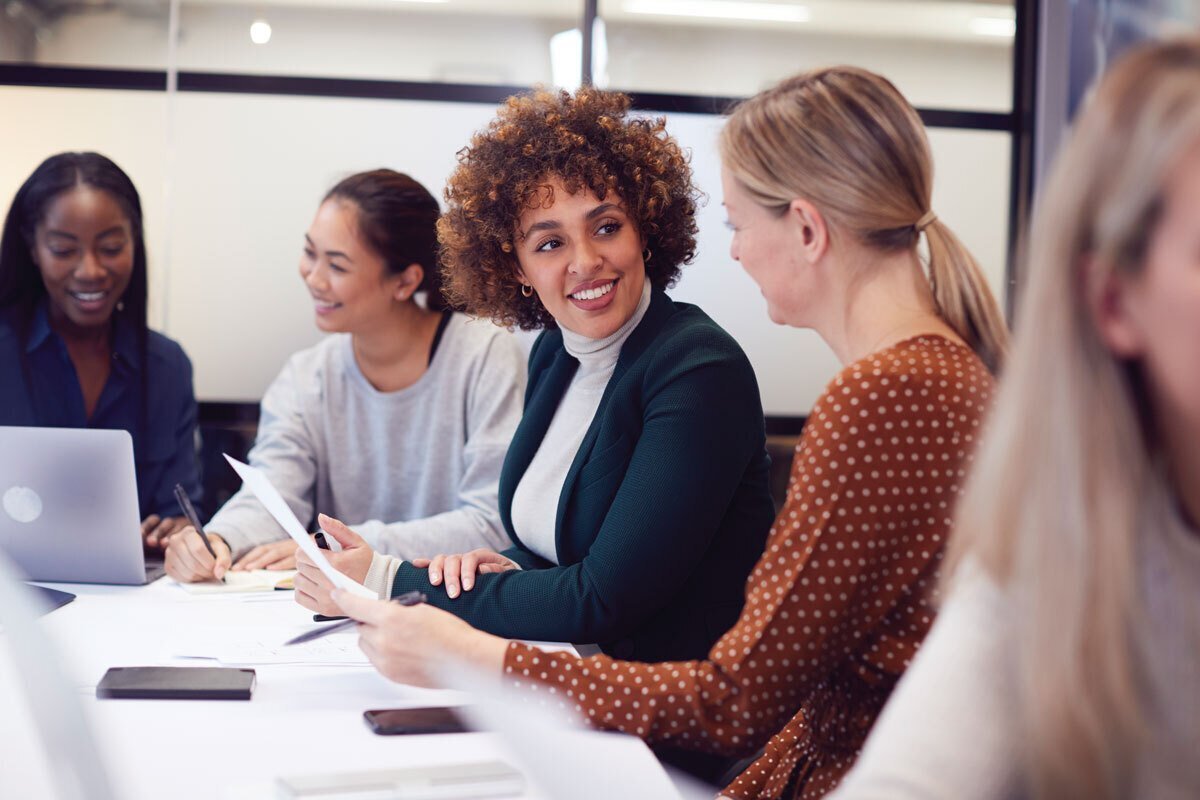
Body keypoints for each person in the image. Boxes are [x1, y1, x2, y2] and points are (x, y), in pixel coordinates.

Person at [323, 66, 1008, 800]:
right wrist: (496, 582)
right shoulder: (926, 379)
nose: (736, 252)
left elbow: (732, 699)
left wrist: (472, 652)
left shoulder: (882, 397)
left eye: (739, 225)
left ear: (807, 229)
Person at [829, 39, 1200, 800]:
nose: (738, 250)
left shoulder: (892, 385)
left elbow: (743, 686)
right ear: (1113, 303)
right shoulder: (1060, 571)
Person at [294, 88, 777, 668]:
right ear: (517, 267)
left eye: (606, 227)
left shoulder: (698, 371)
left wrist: (386, 578)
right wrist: (499, 566)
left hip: (667, 703)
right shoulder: (555, 352)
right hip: (565, 676)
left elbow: (602, 598)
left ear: (645, 230)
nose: (585, 261)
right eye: (549, 243)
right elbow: (559, 548)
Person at [165, 170, 525, 583]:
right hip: (339, 604)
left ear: (405, 281)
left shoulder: (485, 355)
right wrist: (218, 540)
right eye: (310, 253)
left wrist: (341, 546)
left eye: (337, 265)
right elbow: (273, 494)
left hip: (449, 600)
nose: (313, 278)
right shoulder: (305, 377)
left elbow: (490, 522)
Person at [0, 152, 200, 546]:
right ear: (32, 248)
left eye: (110, 248)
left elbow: (182, 510)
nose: (90, 270)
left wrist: (182, 532)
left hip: (139, 583)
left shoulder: (167, 367)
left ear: (134, 242)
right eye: (63, 250)